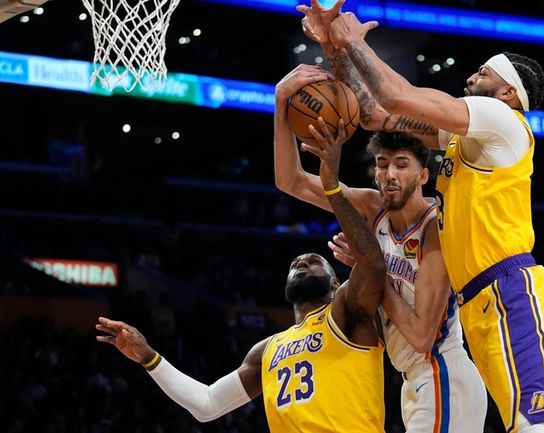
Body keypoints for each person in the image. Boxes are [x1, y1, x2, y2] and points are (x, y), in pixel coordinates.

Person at [298, 3, 544, 432]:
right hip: (480, 301)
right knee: (536, 425)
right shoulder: (463, 141)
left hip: (509, 288)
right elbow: (374, 115)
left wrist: (353, 40)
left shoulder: (503, 121)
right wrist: (332, 46)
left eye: (483, 74)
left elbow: (397, 96)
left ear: (509, 92)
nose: (470, 78)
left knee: (538, 424)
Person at [96, 116, 388, 432]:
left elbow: (373, 264)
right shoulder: (267, 350)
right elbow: (207, 404)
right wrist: (148, 357)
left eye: (313, 261)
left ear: (335, 282)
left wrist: (332, 186)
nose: (301, 263)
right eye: (295, 265)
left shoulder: (346, 312)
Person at [274, 63, 487, 432]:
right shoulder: (373, 207)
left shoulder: (438, 227)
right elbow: (290, 180)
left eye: (401, 165)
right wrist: (280, 105)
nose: (389, 174)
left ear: (423, 175)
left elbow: (421, 336)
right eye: (382, 164)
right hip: (412, 383)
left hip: (442, 371)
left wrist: (371, 266)